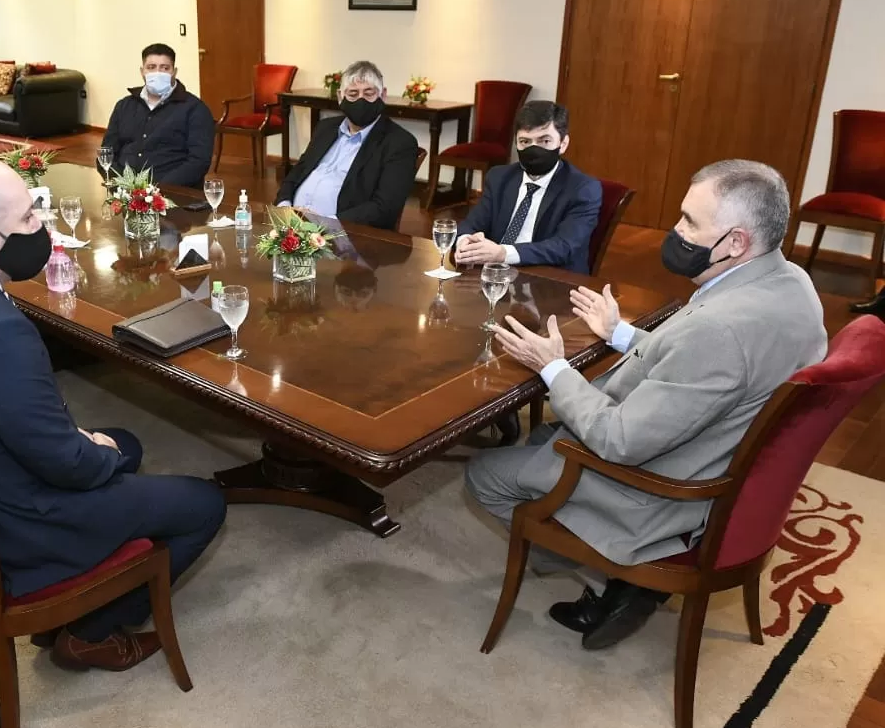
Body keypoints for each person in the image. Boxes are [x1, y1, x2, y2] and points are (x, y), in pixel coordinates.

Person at [0, 156, 226, 672]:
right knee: (203, 502)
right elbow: (64, 465)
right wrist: (91, 451)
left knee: (127, 442)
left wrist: (89, 443)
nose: (41, 227)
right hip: (19, 517)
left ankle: (96, 575)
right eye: (29, 219)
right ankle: (88, 630)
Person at [465, 159, 827, 651]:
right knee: (538, 441)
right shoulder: (790, 284)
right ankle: (604, 564)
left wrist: (553, 368)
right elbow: (703, 369)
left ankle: (614, 576)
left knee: (485, 474)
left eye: (690, 222)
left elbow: (619, 440)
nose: (676, 230)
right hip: (709, 445)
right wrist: (620, 335)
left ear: (737, 242)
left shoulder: (720, 330)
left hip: (663, 485)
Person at [452, 100, 600, 274]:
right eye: (525, 142)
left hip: (551, 280)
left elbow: (564, 247)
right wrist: (465, 241)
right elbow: (471, 224)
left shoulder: (582, 188)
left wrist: (503, 253)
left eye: (544, 141)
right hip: (495, 275)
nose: (533, 149)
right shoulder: (500, 177)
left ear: (563, 144)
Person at [274, 60, 419, 231]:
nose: (360, 100)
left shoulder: (399, 142)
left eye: (369, 93)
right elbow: (297, 172)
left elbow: (384, 208)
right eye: (352, 94)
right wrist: (284, 207)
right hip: (291, 227)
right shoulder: (325, 128)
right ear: (340, 97)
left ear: (383, 95)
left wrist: (323, 223)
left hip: (343, 238)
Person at [100, 42, 214, 187]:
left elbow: (199, 162)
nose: (157, 73)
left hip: (170, 194)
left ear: (174, 72)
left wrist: (155, 191)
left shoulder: (195, 109)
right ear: (142, 71)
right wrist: (122, 184)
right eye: (151, 68)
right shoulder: (124, 106)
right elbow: (105, 154)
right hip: (123, 191)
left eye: (164, 68)